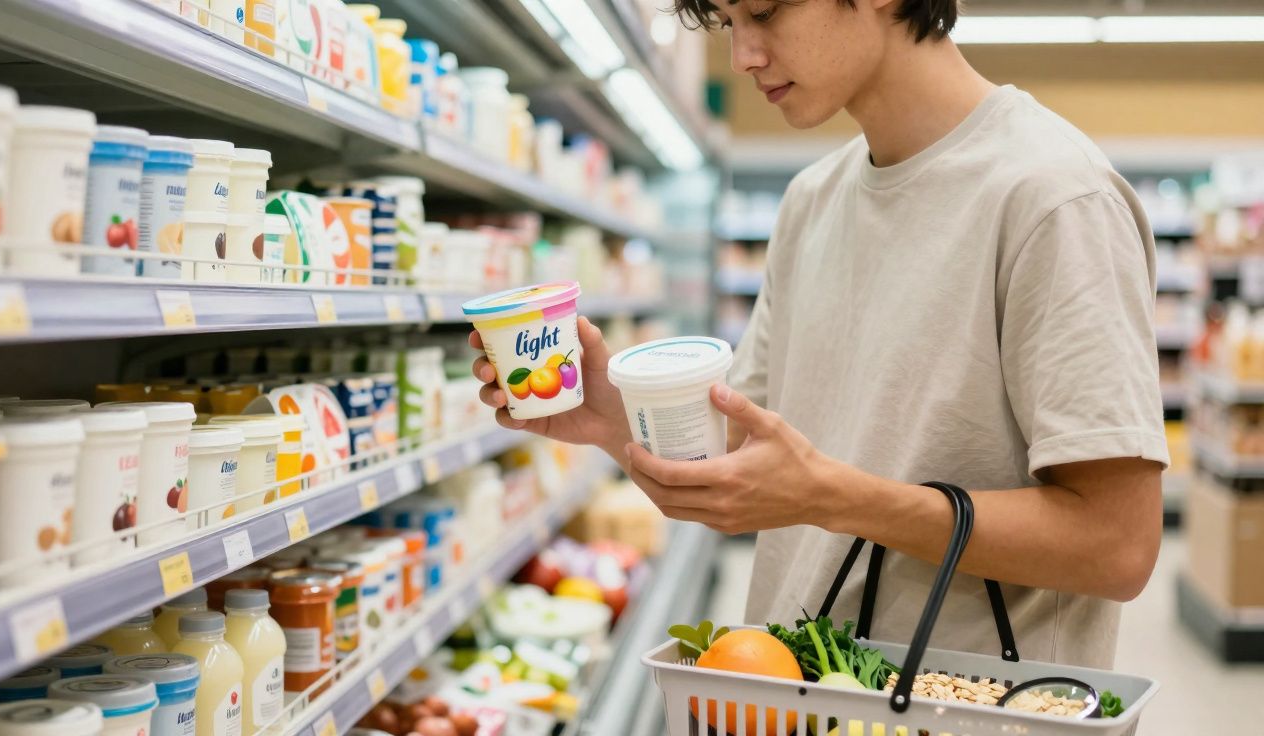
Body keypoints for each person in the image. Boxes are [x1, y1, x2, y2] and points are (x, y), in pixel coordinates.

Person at [471, 0, 1166, 669]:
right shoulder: (811, 202)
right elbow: (749, 453)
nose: (742, 56)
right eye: (727, 22)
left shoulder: (1053, 199)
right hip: (795, 685)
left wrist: (831, 498)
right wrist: (614, 416)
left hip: (964, 705)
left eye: (766, 13)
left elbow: (1115, 548)